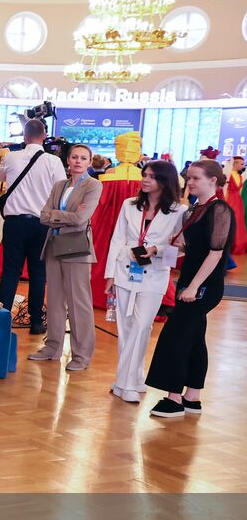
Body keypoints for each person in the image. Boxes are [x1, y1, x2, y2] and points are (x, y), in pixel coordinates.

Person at [145, 160, 237, 419]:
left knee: (175, 336)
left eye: (196, 178)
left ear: (213, 181)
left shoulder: (219, 210)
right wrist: (156, 250)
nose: (191, 182)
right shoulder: (195, 210)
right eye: (189, 178)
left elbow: (215, 253)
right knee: (194, 337)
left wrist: (194, 286)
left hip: (204, 285)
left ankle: (174, 398)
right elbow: (185, 247)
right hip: (190, 282)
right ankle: (192, 396)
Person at [104, 161, 186, 404]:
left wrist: (156, 249)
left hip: (155, 274)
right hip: (124, 269)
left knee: (142, 326)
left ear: (165, 181)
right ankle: (132, 378)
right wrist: (109, 274)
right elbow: (116, 239)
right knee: (126, 326)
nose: (146, 179)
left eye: (152, 176)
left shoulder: (178, 211)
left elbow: (179, 250)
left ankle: (125, 382)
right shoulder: (129, 205)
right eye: (145, 175)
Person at [30, 145, 103, 371]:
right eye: (74, 157)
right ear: (68, 160)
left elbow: (81, 218)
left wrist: (57, 215)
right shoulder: (59, 185)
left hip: (77, 248)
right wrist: (65, 217)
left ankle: (81, 355)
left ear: (90, 162)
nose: (78, 161)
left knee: (78, 303)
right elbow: (43, 216)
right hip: (53, 244)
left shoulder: (93, 185)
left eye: (83, 158)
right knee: (54, 300)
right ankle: (52, 347)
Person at [0, 119, 67, 336]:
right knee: (38, 273)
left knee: (10, 271)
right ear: (44, 136)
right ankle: (36, 321)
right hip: (41, 223)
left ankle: (2, 318)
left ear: (24, 137)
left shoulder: (11, 157)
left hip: (15, 222)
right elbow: (62, 190)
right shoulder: (53, 162)